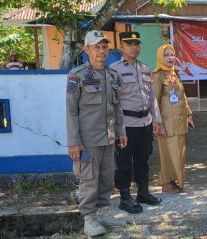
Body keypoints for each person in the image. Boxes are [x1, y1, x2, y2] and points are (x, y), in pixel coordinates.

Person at [66, 30, 128, 237]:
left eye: (104, 46)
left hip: (109, 137)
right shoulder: (77, 76)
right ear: (86, 50)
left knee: (107, 178)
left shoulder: (112, 75)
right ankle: (89, 218)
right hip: (88, 140)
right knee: (89, 179)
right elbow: (71, 111)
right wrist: (74, 142)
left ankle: (101, 211)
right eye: (96, 47)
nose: (102, 51)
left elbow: (117, 107)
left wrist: (121, 131)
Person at [109, 31, 162, 214]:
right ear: (121, 47)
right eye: (129, 44)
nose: (134, 47)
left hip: (145, 123)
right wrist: (117, 128)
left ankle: (143, 192)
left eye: (137, 44)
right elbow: (112, 102)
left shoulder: (145, 69)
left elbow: (152, 97)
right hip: (126, 125)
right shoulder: (114, 70)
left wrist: (156, 120)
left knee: (143, 159)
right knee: (124, 162)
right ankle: (125, 197)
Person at [151, 44, 194, 194]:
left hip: (179, 121)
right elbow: (154, 100)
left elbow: (182, 96)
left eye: (172, 55)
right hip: (167, 124)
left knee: (177, 154)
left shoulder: (173, 73)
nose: (170, 58)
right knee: (171, 155)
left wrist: (188, 114)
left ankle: (172, 183)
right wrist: (157, 123)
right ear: (160, 57)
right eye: (167, 55)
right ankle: (176, 185)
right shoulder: (158, 75)